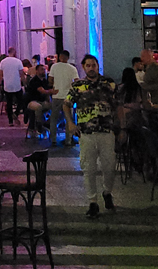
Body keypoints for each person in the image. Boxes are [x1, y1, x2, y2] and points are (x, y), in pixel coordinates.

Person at [65, 54, 118, 219]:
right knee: (89, 168)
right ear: (83, 67)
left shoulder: (108, 84)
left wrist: (121, 127)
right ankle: (92, 201)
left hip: (106, 131)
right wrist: (70, 123)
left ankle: (107, 191)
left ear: (97, 66)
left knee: (109, 166)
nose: (91, 68)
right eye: (88, 65)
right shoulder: (78, 86)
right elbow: (66, 104)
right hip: (86, 133)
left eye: (93, 65)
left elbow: (118, 105)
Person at [49, 50, 78, 146]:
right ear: (68, 58)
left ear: (60, 57)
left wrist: (53, 87)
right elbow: (76, 81)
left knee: (54, 118)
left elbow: (50, 79)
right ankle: (68, 140)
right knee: (69, 119)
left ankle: (53, 139)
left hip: (56, 96)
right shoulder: (72, 68)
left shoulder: (54, 66)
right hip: (68, 96)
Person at [25, 64, 56, 136]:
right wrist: (53, 91)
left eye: (44, 70)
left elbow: (47, 93)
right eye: (42, 70)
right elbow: (43, 91)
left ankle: (47, 123)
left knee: (55, 106)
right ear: (37, 71)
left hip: (42, 101)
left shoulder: (44, 81)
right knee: (38, 107)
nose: (44, 71)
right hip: (32, 101)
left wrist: (49, 100)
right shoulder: (34, 80)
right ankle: (39, 125)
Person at [0, 47, 25, 127]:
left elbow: (0, 74)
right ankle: (16, 113)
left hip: (7, 85)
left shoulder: (3, 62)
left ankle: (10, 121)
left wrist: (0, 84)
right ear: (14, 52)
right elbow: (21, 74)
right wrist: (24, 83)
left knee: (9, 103)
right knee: (20, 101)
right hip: (17, 85)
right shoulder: (18, 61)